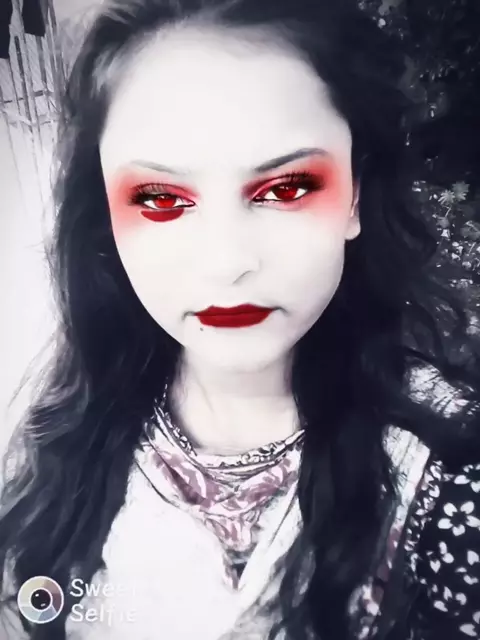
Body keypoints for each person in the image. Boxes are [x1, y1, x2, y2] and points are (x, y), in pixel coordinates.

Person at [0, 0, 479, 638]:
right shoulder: (59, 437)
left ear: (355, 196)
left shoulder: (451, 475)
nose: (226, 262)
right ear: (105, 219)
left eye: (286, 188)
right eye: (161, 199)